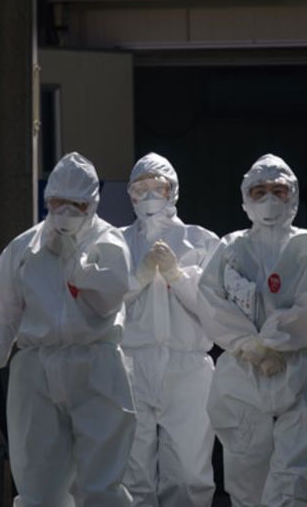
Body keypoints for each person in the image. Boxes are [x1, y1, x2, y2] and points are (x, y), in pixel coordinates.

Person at [0, 152, 136, 506]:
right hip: (37, 368)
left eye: (75, 205)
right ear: (47, 200)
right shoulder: (27, 247)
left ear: (91, 203)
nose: (64, 212)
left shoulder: (108, 242)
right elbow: (0, 302)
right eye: (57, 203)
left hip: (95, 365)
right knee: (39, 482)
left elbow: (109, 298)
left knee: (100, 481)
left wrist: (77, 263)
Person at [198, 154, 307, 507]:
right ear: (245, 199)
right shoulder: (231, 248)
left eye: (278, 190)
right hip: (244, 371)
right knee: (247, 477)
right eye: (259, 191)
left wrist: (271, 342)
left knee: (294, 480)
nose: (269, 199)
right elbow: (210, 299)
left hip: (303, 368)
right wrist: (249, 345)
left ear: (293, 196)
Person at [119, 153, 221, 507]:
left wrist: (178, 277)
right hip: (130, 364)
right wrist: (138, 278)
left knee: (190, 474)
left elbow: (217, 310)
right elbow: (100, 305)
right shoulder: (116, 242)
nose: (148, 195)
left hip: (187, 367)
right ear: (129, 194)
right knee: (132, 474)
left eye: (157, 187)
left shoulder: (202, 241)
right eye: (140, 188)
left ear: (173, 190)